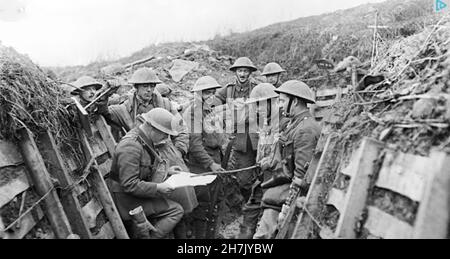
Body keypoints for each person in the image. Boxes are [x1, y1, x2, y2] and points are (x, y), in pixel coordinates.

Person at [257, 80, 321, 238]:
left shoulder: (306, 129)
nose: (279, 105)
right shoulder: (295, 124)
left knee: (263, 235)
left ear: (295, 101)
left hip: (286, 194)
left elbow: (301, 175)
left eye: (282, 101)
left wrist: (287, 206)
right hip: (281, 187)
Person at [108, 108, 185, 239]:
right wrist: (158, 188)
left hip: (133, 194)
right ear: (150, 127)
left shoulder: (144, 139)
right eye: (164, 133)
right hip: (125, 199)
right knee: (176, 210)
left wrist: (168, 171)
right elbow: (129, 184)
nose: (166, 138)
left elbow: (144, 167)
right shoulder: (131, 146)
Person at [213, 57, 260, 239]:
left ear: (249, 73)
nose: (242, 74)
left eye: (245, 71)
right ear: (235, 72)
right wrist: (225, 108)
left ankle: (258, 205)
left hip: (256, 134)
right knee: (243, 178)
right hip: (239, 138)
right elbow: (215, 100)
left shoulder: (255, 88)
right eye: (239, 71)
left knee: (261, 170)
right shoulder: (229, 89)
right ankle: (249, 204)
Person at [107, 67, 189, 155]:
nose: (149, 89)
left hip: (164, 151)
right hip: (140, 154)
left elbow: (181, 128)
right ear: (136, 87)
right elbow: (105, 112)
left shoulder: (165, 104)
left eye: (152, 86)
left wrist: (179, 151)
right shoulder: (125, 108)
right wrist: (105, 94)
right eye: (145, 86)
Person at [183, 76, 226, 239]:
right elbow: (194, 145)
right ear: (198, 94)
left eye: (212, 92)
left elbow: (217, 134)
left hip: (214, 158)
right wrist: (210, 164)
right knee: (201, 201)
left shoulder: (209, 110)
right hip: (199, 164)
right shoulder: (194, 112)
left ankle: (211, 233)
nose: (210, 96)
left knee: (215, 199)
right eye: (206, 93)